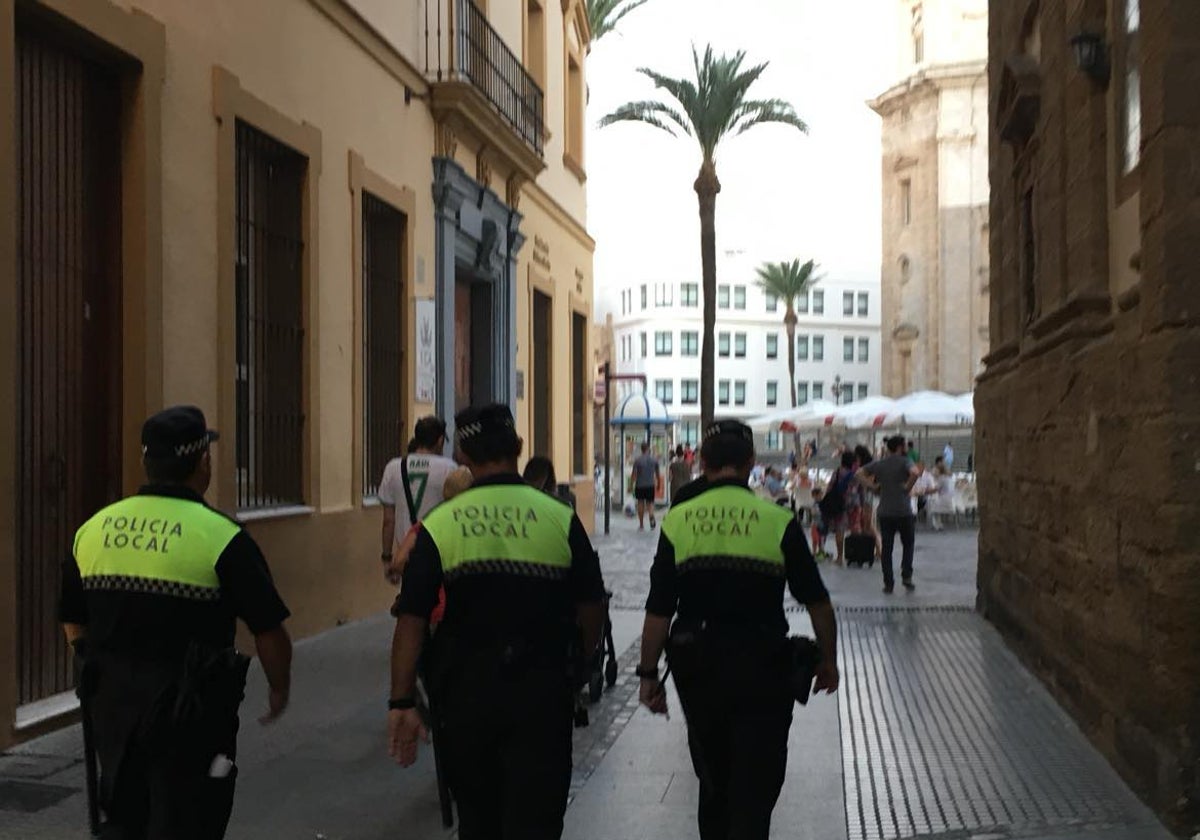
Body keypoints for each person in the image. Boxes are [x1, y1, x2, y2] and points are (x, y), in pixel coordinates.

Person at [59, 406, 292, 839]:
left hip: (115, 713)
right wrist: (279, 688)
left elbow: (72, 620)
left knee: (125, 818)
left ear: (147, 461)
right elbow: (268, 629)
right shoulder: (221, 537)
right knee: (192, 819)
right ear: (203, 461)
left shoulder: (93, 530)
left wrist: (92, 669)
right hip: (193, 715)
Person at [387, 403, 607, 840]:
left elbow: (411, 617)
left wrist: (401, 703)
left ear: (464, 454)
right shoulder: (558, 517)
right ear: (518, 448)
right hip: (542, 697)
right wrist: (583, 661)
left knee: (478, 821)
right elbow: (592, 605)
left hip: (466, 700)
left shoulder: (440, 524)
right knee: (537, 820)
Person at [637, 419, 839, 840]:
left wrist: (648, 675)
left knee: (713, 777)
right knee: (757, 781)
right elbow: (817, 601)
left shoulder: (678, 521)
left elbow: (659, 609)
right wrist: (829, 661)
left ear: (703, 462)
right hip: (763, 665)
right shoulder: (776, 519)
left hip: (699, 668)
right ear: (750, 463)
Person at [378, 417, 458, 584]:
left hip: (407, 559)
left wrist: (387, 558)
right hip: (440, 557)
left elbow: (388, 521)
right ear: (440, 440)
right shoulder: (449, 468)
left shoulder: (394, 467)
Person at [857, 436, 921, 593]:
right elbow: (915, 472)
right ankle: (906, 575)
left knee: (887, 548)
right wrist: (907, 487)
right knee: (908, 544)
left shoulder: (880, 463)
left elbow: (859, 473)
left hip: (885, 511)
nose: (907, 448)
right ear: (900, 447)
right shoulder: (905, 461)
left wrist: (872, 487)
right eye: (905, 445)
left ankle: (888, 582)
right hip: (904, 511)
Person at [631, 442, 660, 531]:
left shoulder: (637, 460)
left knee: (640, 503)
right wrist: (658, 483)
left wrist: (631, 485)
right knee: (650, 503)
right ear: (648, 449)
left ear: (641, 449)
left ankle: (641, 524)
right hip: (650, 485)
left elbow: (634, 474)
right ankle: (651, 515)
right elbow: (657, 474)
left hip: (640, 485)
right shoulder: (654, 460)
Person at [927, 456, 955, 530]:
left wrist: (926, 491)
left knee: (930, 502)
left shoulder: (941, 478)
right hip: (948, 499)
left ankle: (936, 524)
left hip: (943, 499)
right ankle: (938, 523)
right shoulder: (946, 477)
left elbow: (936, 489)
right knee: (933, 501)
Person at [809, 488, 831, 560]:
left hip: (821, 523)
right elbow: (813, 513)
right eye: (819, 494)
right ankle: (815, 552)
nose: (821, 496)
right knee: (816, 539)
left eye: (821, 494)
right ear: (814, 496)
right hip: (816, 524)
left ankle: (821, 551)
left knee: (822, 539)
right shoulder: (815, 505)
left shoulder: (821, 504)